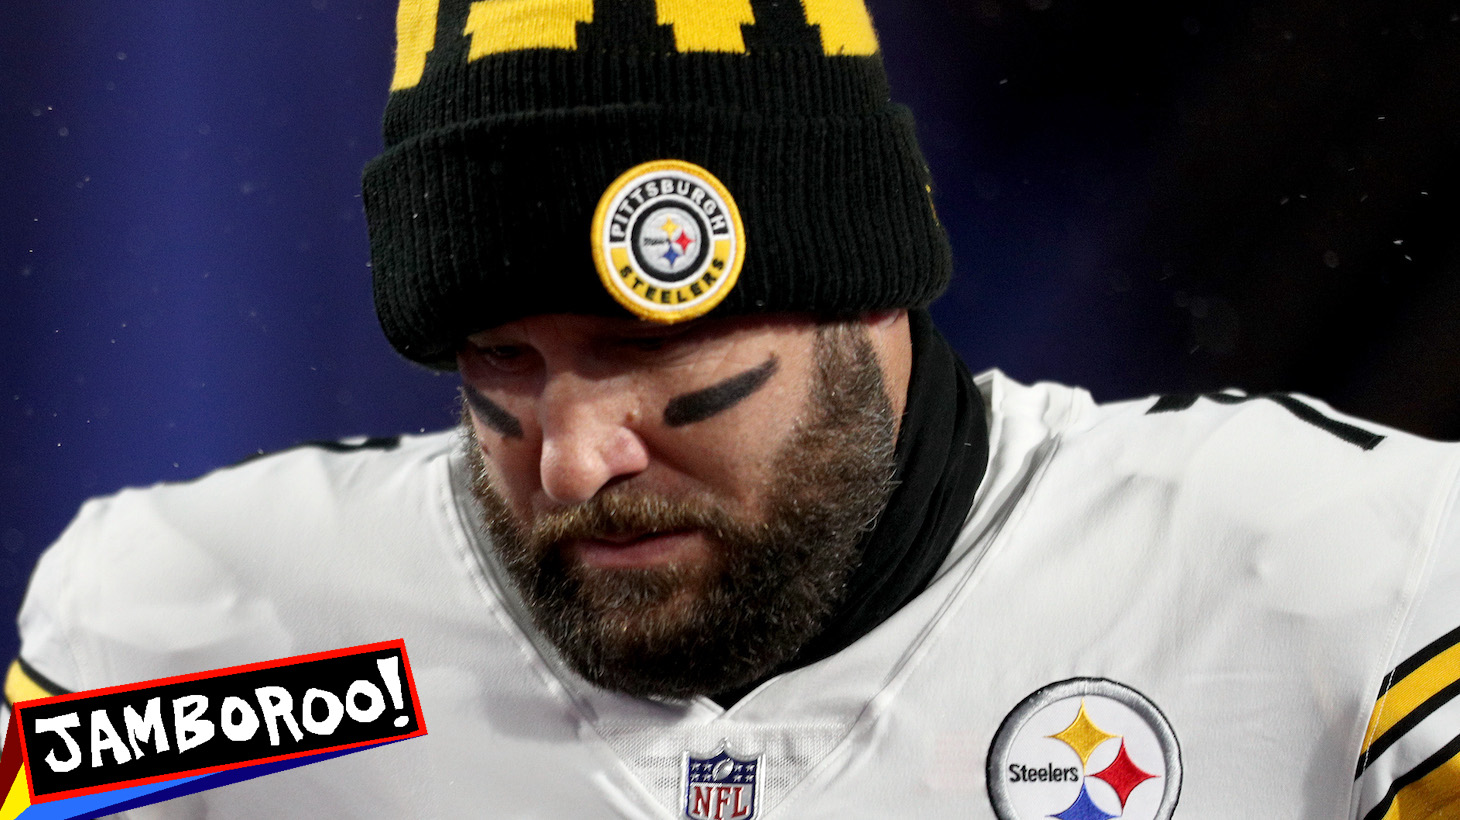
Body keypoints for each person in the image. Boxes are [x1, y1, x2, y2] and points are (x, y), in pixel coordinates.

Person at [6, 1, 1458, 817]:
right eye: (498, 360)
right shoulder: (240, 638)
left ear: (866, 295)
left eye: (647, 344)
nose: (572, 457)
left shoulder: (1317, 580)